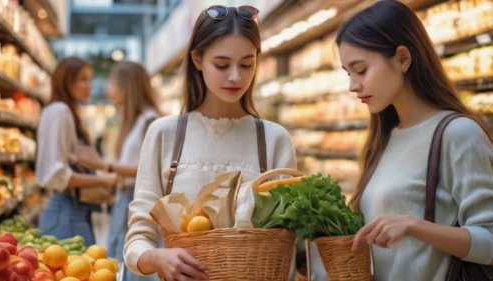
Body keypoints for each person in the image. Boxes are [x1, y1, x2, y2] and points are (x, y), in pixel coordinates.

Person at [122, 5, 328, 281]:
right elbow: (138, 236)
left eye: (246, 64)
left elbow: (286, 241)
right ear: (197, 59)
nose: (236, 76)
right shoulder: (163, 134)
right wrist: (156, 258)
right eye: (222, 64)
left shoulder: (274, 139)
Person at [336, 1, 493, 280]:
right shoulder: (383, 138)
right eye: (349, 73)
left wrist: (414, 226)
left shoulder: (458, 133)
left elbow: (490, 241)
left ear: (403, 59)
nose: (353, 85)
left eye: (361, 70)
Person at [74, 61, 161, 281]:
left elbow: (150, 169)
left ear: (128, 86)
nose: (110, 90)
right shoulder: (137, 121)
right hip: (125, 201)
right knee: (121, 263)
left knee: (133, 265)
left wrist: (104, 166)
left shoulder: (150, 121)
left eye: (114, 84)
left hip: (138, 203)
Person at [35, 57, 116, 247]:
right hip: (67, 214)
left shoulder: (58, 110)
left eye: (90, 79)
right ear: (66, 81)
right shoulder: (61, 111)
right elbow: (57, 175)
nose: (89, 86)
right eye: (83, 79)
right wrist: (103, 180)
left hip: (71, 212)